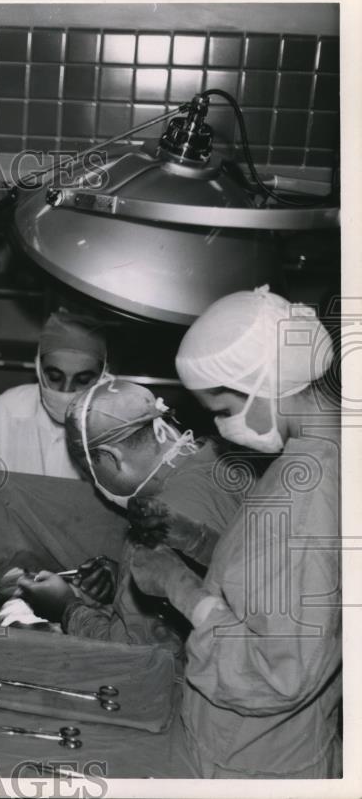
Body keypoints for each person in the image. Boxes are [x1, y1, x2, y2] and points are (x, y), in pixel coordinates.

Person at [130, 286, 341, 778]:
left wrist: (177, 588)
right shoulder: (310, 457)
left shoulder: (308, 498)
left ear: (268, 381)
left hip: (255, 761)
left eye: (223, 410)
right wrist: (192, 538)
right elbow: (268, 581)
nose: (222, 428)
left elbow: (277, 676)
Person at [14, 378, 243, 656]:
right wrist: (123, 580)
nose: (93, 483)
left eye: (90, 473)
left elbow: (136, 659)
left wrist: (66, 609)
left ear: (113, 457)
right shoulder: (226, 458)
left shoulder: (160, 526)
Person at [0, 310, 108, 479]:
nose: (65, 391)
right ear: (38, 368)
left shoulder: (118, 428)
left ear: (103, 375)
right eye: (54, 377)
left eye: (82, 380)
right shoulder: (2, 414)